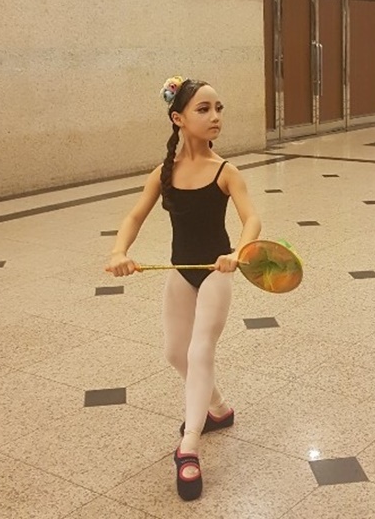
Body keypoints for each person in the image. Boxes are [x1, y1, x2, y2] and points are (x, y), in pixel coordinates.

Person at [105, 76, 261, 501]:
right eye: (204, 109)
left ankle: (189, 446)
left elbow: (251, 219)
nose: (215, 117)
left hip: (215, 271)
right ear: (178, 118)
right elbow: (134, 216)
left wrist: (239, 252)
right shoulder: (165, 173)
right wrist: (119, 251)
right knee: (175, 352)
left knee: (199, 350)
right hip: (180, 270)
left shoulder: (226, 172)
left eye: (219, 108)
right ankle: (218, 409)